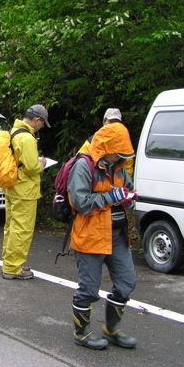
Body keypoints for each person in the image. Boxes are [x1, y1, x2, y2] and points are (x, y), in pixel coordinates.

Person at [67, 122, 137, 350]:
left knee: (126, 283)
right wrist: (111, 197)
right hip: (90, 235)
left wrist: (130, 197)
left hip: (117, 235)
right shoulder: (83, 166)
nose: (121, 157)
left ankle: (112, 330)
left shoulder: (119, 166)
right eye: (119, 152)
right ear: (106, 146)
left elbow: (127, 188)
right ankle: (82, 333)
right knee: (88, 288)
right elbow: (80, 202)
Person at [1, 104, 49, 280]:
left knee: (11, 227)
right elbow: (31, 167)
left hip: (12, 187)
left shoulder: (13, 131)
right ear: (37, 120)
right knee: (22, 229)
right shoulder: (27, 138)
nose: (41, 127)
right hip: (25, 190)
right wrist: (42, 163)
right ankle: (14, 268)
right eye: (42, 123)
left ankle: (9, 263)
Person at [78, 108, 134, 178]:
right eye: (110, 121)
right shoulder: (94, 140)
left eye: (116, 122)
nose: (113, 125)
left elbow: (128, 167)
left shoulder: (124, 143)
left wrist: (123, 185)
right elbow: (80, 161)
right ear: (104, 122)